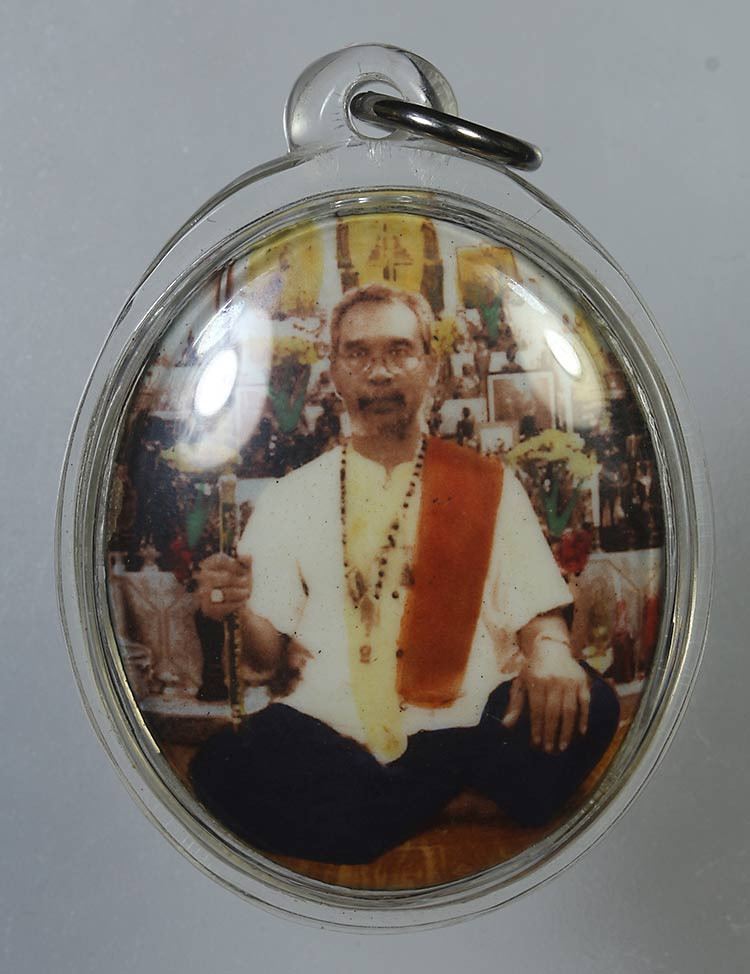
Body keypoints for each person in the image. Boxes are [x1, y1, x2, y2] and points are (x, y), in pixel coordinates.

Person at [190, 284, 619, 865]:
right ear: (335, 373)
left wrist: (550, 652)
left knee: (593, 702)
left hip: (466, 716)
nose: (379, 372)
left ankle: (378, 807)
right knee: (222, 765)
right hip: (332, 723)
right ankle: (446, 792)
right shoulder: (290, 499)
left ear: (431, 368)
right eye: (358, 353)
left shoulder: (488, 485)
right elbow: (265, 661)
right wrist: (234, 606)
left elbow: (535, 610)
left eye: (399, 351)